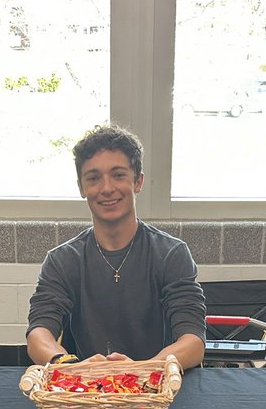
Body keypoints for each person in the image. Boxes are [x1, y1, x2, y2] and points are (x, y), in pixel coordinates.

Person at [26, 124, 206, 368]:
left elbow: (193, 342)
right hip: (84, 392)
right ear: (81, 188)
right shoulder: (62, 260)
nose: (107, 188)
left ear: (138, 182)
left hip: (157, 390)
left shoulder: (171, 254)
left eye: (118, 175)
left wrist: (140, 371)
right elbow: (39, 334)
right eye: (93, 178)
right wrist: (71, 366)